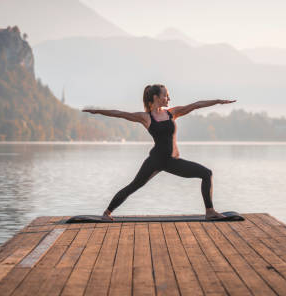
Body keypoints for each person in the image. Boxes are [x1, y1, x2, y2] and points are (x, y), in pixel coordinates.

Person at [82, 84, 236, 221]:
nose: (168, 98)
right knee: (134, 186)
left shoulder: (172, 113)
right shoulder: (146, 117)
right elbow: (120, 113)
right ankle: (107, 213)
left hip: (172, 161)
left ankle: (209, 211)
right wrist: (97, 111)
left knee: (206, 173)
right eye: (165, 95)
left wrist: (217, 101)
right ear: (156, 97)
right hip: (155, 160)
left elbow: (196, 105)